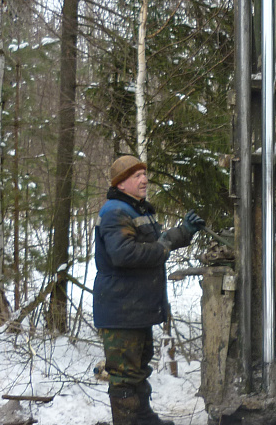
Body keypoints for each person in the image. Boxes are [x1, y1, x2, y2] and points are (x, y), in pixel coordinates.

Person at [95, 155, 206, 425]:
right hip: (121, 308)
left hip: (136, 307)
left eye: (145, 173)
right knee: (124, 374)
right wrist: (164, 247)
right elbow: (124, 255)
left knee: (138, 368)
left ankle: (142, 418)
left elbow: (157, 242)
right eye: (136, 176)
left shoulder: (137, 210)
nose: (144, 179)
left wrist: (183, 232)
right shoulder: (114, 212)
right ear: (121, 184)